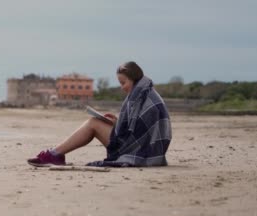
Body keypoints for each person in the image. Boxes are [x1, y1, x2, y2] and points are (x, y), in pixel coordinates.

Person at [27, 61, 172, 167]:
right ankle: (56, 154)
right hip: (147, 150)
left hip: (140, 151)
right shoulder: (146, 92)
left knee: (93, 123)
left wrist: (118, 126)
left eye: (123, 83)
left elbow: (139, 131)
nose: (122, 87)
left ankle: (54, 154)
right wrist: (116, 122)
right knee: (94, 122)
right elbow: (137, 127)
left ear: (134, 79)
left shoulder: (141, 97)